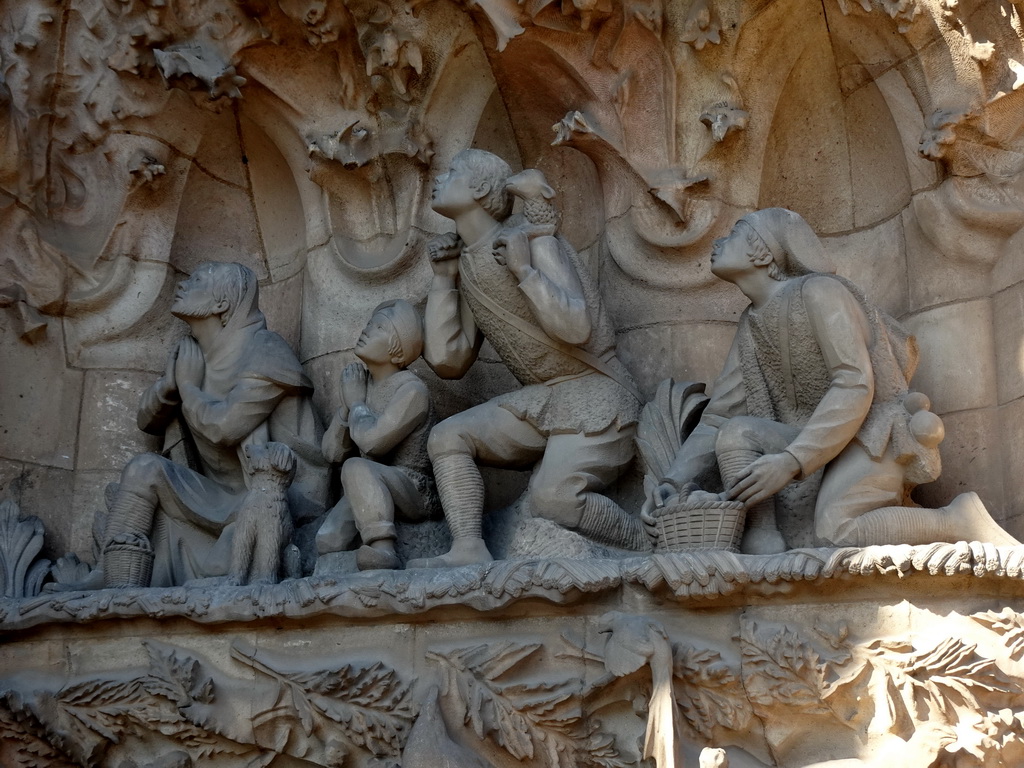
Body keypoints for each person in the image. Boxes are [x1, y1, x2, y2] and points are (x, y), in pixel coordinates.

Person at [644, 207, 1018, 552]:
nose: (718, 242)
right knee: (737, 432)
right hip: (810, 440)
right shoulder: (752, 323)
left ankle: (956, 519)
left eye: (735, 233)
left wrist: (791, 460)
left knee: (834, 529)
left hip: (872, 434)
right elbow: (719, 417)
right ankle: (763, 543)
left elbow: (854, 384)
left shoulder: (821, 291)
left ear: (763, 254)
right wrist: (674, 482)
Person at [410, 149, 646, 568]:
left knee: (553, 499)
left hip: (597, 396)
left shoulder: (535, 240)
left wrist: (525, 271)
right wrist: (444, 282)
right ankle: (468, 547)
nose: (440, 178)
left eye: (453, 172)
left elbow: (576, 328)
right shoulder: (466, 263)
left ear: (481, 189)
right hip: (541, 400)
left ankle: (643, 543)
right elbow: (450, 361)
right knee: (448, 437)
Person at [101, 262, 329, 587]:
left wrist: (189, 389)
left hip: (279, 495)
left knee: (235, 556)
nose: (182, 285)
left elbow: (225, 427)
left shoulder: (266, 349)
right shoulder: (193, 355)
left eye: (195, 280)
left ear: (221, 305)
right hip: (224, 495)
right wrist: (170, 387)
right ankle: (110, 579)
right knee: (142, 469)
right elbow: (146, 420)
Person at [316, 300, 439, 570]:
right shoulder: (362, 385)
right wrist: (347, 409)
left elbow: (373, 444)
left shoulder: (412, 392)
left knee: (356, 465)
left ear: (398, 350)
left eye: (380, 327)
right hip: (368, 481)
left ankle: (382, 547)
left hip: (412, 488)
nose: (367, 330)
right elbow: (331, 453)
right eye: (369, 324)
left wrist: (357, 404)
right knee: (327, 540)